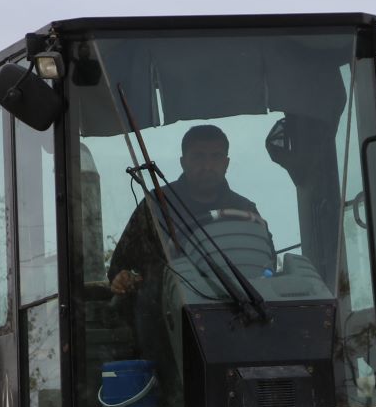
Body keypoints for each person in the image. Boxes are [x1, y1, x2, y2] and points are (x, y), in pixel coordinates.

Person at [106, 124, 266, 296]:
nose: (207, 166)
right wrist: (124, 278)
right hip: (164, 308)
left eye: (216, 157)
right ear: (183, 162)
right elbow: (118, 268)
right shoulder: (157, 205)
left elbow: (266, 264)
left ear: (226, 163)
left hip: (237, 308)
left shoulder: (245, 210)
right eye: (198, 157)